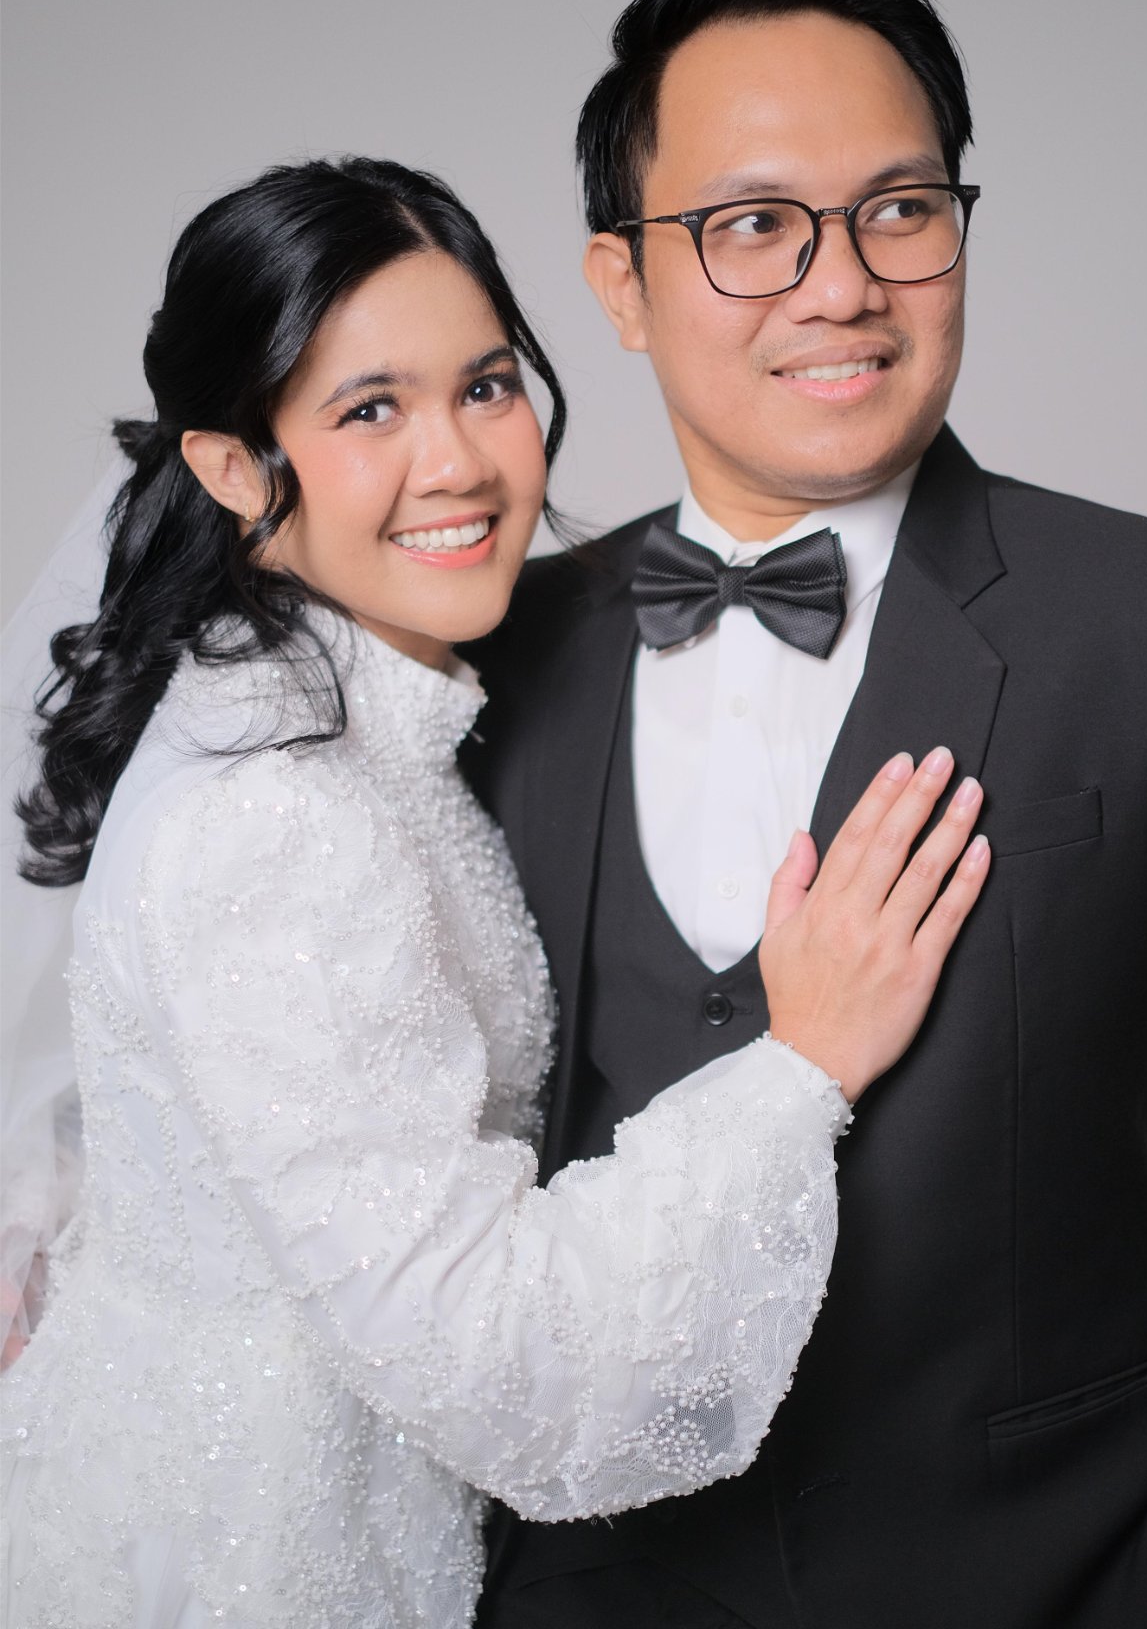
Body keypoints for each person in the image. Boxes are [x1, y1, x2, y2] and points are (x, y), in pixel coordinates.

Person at [0, 155, 990, 1628]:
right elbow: (497, 1358)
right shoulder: (280, 818)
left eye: (485, 386)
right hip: (261, 1553)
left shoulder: (308, 713)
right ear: (231, 466)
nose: (459, 462)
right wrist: (804, 1064)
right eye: (369, 410)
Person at [469, 0, 1147, 1628]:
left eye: (901, 209)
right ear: (621, 287)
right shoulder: (492, 657)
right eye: (752, 226)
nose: (841, 285)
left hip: (1073, 1581)